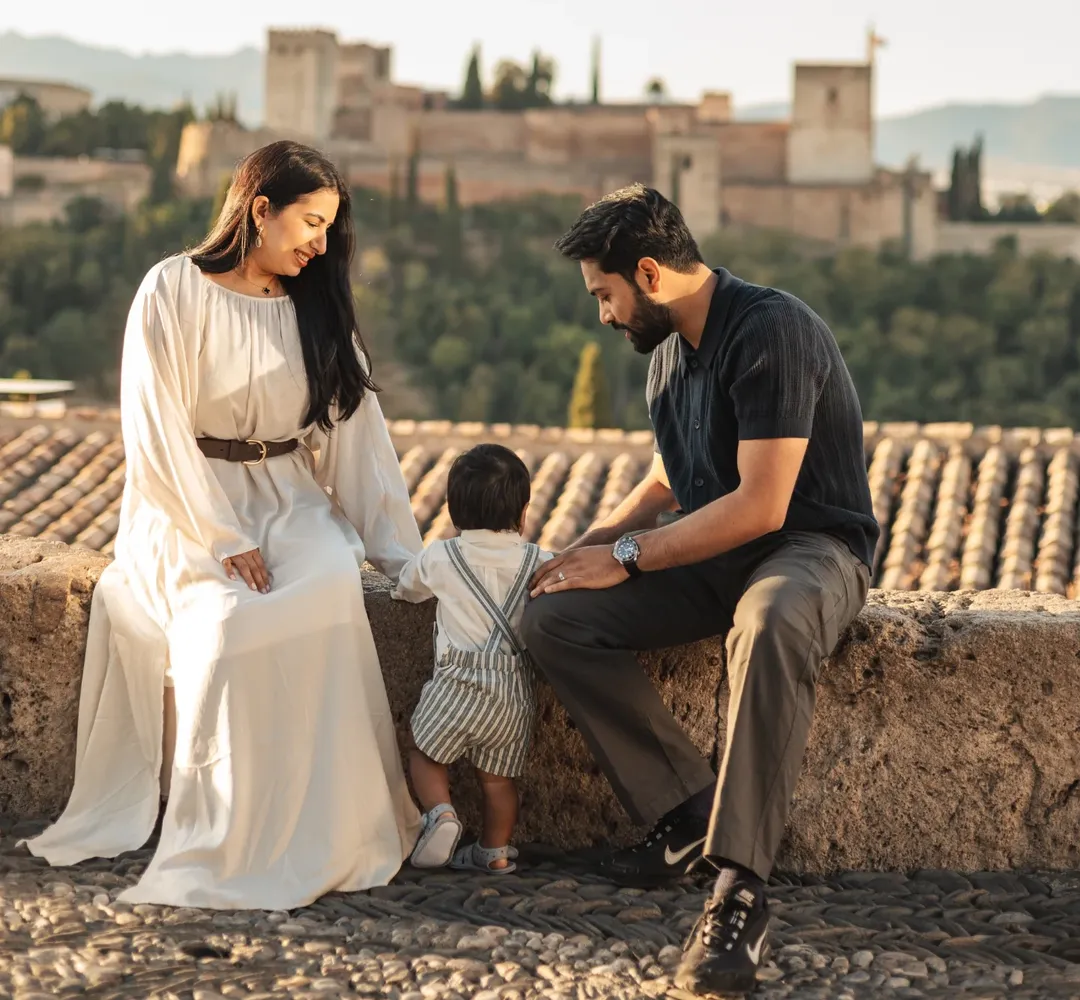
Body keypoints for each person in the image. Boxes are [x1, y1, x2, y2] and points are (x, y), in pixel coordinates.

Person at [24, 141, 423, 911]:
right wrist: (220, 535)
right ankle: (227, 834)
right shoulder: (171, 289)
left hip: (288, 496)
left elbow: (355, 441)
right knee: (227, 624)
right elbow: (154, 425)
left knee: (331, 585)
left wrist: (400, 556)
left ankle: (328, 830)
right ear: (260, 208)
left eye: (329, 229)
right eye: (310, 222)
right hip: (185, 503)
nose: (319, 243)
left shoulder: (315, 308)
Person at [523, 184, 878, 996]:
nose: (603, 316)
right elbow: (664, 483)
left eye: (604, 295)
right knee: (555, 622)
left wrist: (634, 555)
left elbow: (763, 504)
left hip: (808, 548)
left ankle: (738, 888)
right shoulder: (664, 368)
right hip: (715, 556)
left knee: (774, 619)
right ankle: (685, 812)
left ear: (647, 273)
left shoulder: (771, 329)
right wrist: (581, 550)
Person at [393, 444, 552, 874]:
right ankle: (493, 851)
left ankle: (441, 814)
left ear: (454, 511)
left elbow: (407, 586)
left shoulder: (442, 557)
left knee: (424, 752)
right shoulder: (540, 561)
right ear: (522, 514)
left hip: (457, 682)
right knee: (498, 782)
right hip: (512, 692)